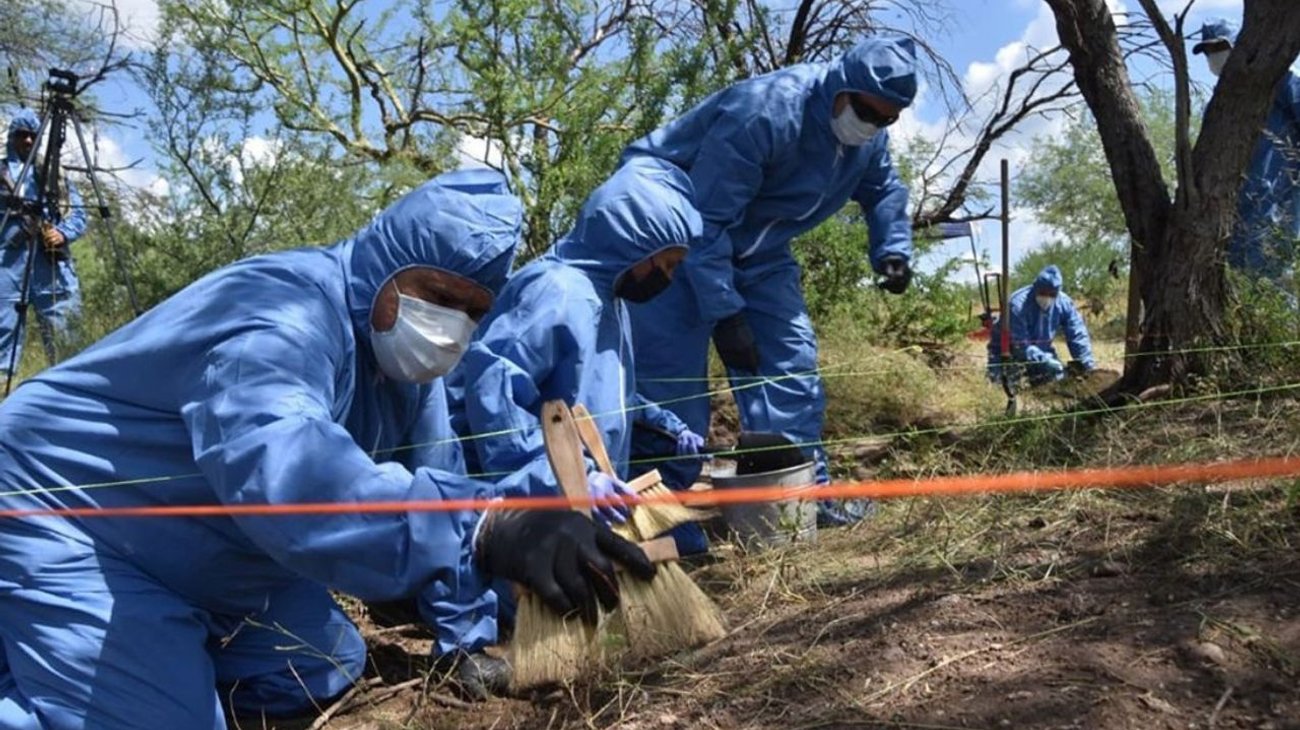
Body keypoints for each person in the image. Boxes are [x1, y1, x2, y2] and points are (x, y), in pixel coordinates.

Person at [0, 168, 655, 729]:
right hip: (67, 515)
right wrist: (487, 526)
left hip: (207, 541)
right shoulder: (279, 315)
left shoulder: (404, 374)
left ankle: (139, 653)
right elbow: (286, 470)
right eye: (439, 296)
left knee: (323, 667)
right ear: (386, 263)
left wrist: (473, 628)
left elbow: (441, 482)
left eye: (473, 311)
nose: (452, 327)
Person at [620, 37, 917, 536]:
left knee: (791, 368)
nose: (870, 124)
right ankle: (661, 521)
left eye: (886, 119)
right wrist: (726, 312)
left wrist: (892, 249)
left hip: (759, 250)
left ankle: (798, 503)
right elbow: (704, 221)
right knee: (669, 384)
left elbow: (883, 187)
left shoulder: (867, 138)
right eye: (865, 111)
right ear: (839, 87)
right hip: (675, 238)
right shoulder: (765, 111)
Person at [1192, 18, 1300, 281]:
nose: (1214, 56)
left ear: (1239, 45)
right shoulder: (1218, 104)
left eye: (1219, 47)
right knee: (1239, 282)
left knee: (1274, 281)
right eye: (1208, 51)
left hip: (1277, 201)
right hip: (1234, 212)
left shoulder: (1278, 78)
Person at [1, 109, 88, 374]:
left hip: (50, 266)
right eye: (22, 135)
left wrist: (62, 233)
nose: (27, 140)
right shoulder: (1, 171)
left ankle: (68, 385)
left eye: (33, 135)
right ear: (12, 137)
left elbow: (79, 215)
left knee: (65, 337)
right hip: (7, 266)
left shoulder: (53, 174)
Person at [986, 264, 1095, 386]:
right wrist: (1045, 361)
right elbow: (1020, 345)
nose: (1047, 298)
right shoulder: (1017, 305)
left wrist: (1086, 364)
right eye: (1043, 293)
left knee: (1056, 383)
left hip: (1043, 351)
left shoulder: (1064, 304)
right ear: (1035, 288)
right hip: (1009, 353)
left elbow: (1077, 334)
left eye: (1052, 294)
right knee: (1006, 386)